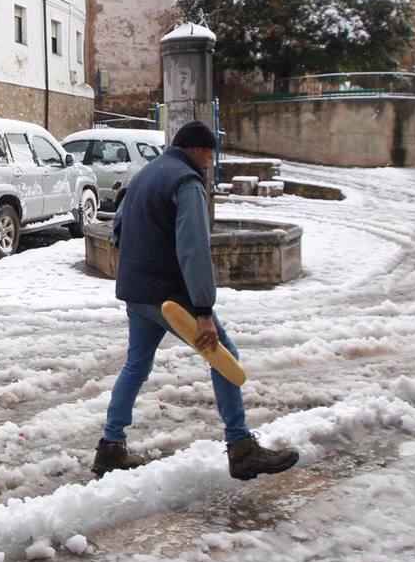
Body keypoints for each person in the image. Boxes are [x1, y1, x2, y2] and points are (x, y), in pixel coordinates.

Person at [92, 120, 299, 481]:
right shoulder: (186, 182)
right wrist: (202, 310)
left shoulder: (146, 173)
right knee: (224, 356)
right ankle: (241, 448)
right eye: (209, 156)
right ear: (199, 151)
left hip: (136, 291)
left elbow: (118, 229)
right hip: (169, 297)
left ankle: (111, 446)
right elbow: (194, 249)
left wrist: (136, 273)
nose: (208, 164)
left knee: (136, 365)